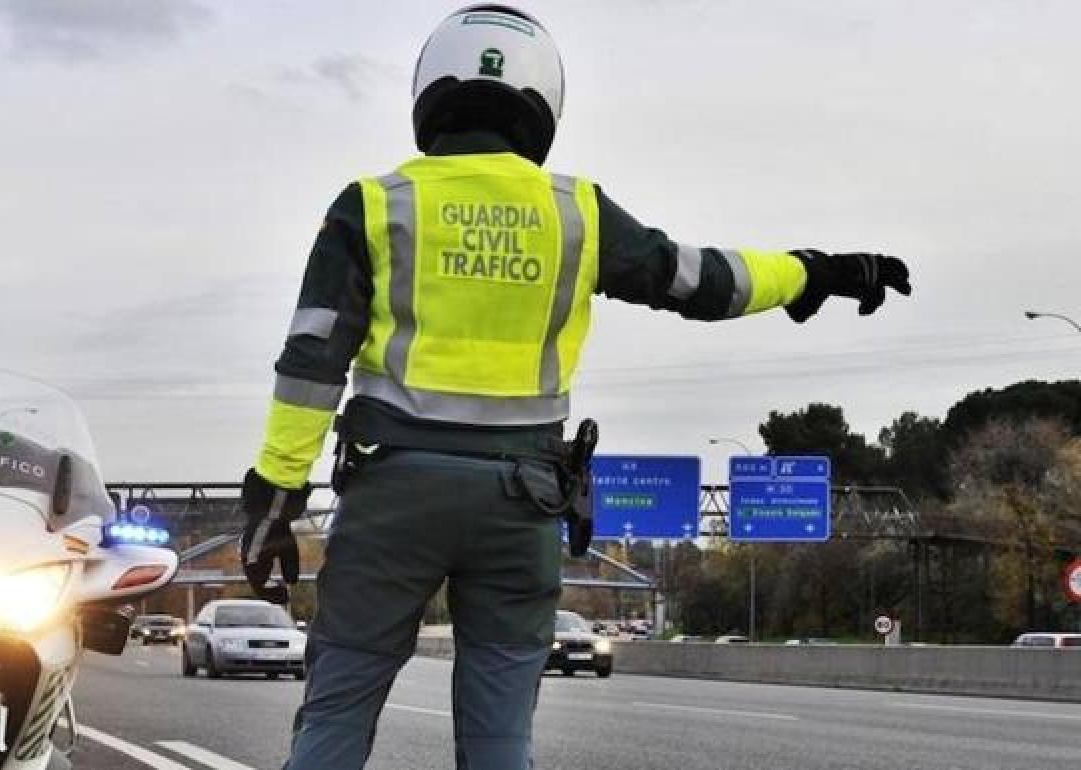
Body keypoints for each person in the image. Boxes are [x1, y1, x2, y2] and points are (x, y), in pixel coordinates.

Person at [239, 5, 911, 769]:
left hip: (394, 496)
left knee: (336, 714)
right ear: (542, 103)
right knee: (500, 736)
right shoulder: (575, 213)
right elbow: (696, 278)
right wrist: (812, 271)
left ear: (429, 91)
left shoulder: (373, 204)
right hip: (522, 503)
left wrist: (276, 491)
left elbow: (312, 360)